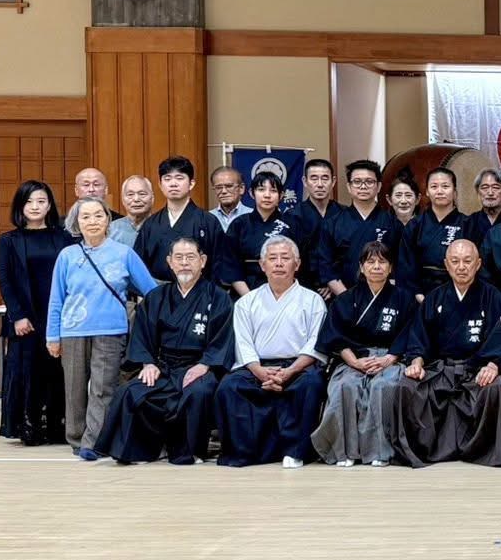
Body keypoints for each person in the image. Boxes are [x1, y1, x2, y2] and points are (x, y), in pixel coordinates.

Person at [95, 238, 233, 465]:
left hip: (199, 365)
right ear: (170, 262)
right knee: (131, 391)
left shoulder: (218, 297)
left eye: (191, 257)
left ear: (203, 261)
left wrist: (205, 364)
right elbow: (142, 335)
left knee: (199, 392)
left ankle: (190, 451)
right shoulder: (156, 297)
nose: (185, 263)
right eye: (178, 258)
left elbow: (223, 338)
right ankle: (140, 450)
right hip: (164, 366)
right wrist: (147, 363)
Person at [47, 197, 159, 460]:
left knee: (103, 388)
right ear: (76, 222)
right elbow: (56, 298)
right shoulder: (67, 255)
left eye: (98, 215)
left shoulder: (123, 253)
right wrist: (53, 335)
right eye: (85, 216)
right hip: (73, 331)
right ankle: (76, 438)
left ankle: (93, 442)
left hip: (111, 330)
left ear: (108, 220)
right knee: (74, 387)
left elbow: (151, 291)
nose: (92, 221)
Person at [387, 240, 501, 467]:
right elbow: (419, 337)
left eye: (467, 261)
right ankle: (417, 451)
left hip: (476, 369)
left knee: (495, 389)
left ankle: (483, 451)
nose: (461, 267)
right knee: (405, 386)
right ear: (446, 265)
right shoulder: (435, 298)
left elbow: (500, 338)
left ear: (478, 264)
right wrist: (416, 362)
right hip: (441, 369)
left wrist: (493, 366)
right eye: (455, 261)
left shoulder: (492, 296)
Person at [215, 236, 328, 468]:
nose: (278, 263)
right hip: (257, 366)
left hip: (298, 366)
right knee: (229, 388)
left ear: (297, 265)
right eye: (272, 258)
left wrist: (290, 371)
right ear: (262, 265)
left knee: (311, 385)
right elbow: (243, 343)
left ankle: (295, 452)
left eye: (285, 258)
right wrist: (260, 372)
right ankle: (244, 453)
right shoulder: (247, 302)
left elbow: (316, 343)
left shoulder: (313, 300)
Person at [310, 241, 419, 467]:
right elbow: (335, 336)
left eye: (382, 262)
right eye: (370, 262)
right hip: (354, 359)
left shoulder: (404, 298)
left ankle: (381, 451)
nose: (376, 266)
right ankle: (344, 452)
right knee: (344, 387)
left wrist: (390, 358)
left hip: (390, 358)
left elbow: (410, 332)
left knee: (383, 388)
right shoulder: (346, 299)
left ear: (390, 268)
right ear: (361, 267)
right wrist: (355, 362)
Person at [0, 181, 74, 445]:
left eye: (41, 201)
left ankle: (57, 427)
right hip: (25, 319)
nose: (35, 206)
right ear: (20, 206)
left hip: (58, 316)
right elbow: (5, 282)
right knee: (27, 371)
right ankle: (28, 428)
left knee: (56, 372)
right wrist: (17, 315)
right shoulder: (8, 241)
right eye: (29, 201)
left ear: (49, 205)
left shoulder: (64, 237)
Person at [314, 160, 408, 298]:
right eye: (357, 182)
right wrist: (346, 298)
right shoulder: (332, 224)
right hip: (343, 297)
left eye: (369, 182)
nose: (363, 186)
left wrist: (384, 296)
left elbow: (400, 266)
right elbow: (326, 267)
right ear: (348, 187)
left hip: (384, 297)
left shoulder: (393, 224)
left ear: (379, 186)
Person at [134, 156, 230, 283]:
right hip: (158, 296)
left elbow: (220, 266)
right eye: (167, 179)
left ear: (191, 183)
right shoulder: (150, 224)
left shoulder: (208, 222)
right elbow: (138, 267)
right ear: (160, 185)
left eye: (179, 178)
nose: (173, 183)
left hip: (199, 295)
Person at [223, 171, 305, 296]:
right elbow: (230, 265)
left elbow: (302, 261)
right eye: (261, 190)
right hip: (246, 290)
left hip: (286, 291)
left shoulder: (293, 224)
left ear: (281, 195)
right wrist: (249, 298)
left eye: (273, 191)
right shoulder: (239, 224)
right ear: (251, 193)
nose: (267, 195)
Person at [405, 167, 470, 296]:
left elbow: (474, 263)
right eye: (434, 187)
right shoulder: (415, 225)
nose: (440, 191)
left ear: (455, 192)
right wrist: (418, 295)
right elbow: (406, 265)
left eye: (445, 186)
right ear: (427, 192)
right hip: (421, 293)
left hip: (459, 291)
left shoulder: (468, 224)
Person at [288, 158, 342, 294]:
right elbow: (291, 256)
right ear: (305, 182)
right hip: (302, 287)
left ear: (333, 182)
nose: (319, 184)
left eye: (325, 179)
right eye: (314, 178)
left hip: (339, 285)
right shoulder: (293, 216)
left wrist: (331, 283)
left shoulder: (344, 214)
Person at [107, 175, 155, 246]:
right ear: (123, 200)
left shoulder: (162, 226)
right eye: (130, 194)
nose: (136, 199)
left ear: (152, 198)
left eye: (142, 194)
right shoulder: (111, 229)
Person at [465, 168, 501, 241]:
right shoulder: (469, 222)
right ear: (478, 192)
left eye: (496, 187)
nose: (490, 193)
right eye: (485, 188)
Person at [208, 166, 252, 232]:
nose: (224, 191)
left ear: (241, 188)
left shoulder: (253, 216)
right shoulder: (208, 218)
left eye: (229, 186)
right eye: (219, 187)